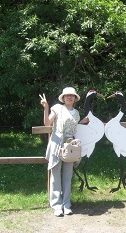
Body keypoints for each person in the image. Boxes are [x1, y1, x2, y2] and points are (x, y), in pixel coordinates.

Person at [39, 87, 87, 217]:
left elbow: (74, 126)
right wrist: (46, 108)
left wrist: (83, 122)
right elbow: (47, 123)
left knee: (67, 175)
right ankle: (56, 206)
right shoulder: (57, 108)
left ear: (75, 98)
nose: (69, 97)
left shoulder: (76, 113)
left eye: (72, 95)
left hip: (70, 146)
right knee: (55, 175)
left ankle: (66, 204)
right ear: (63, 98)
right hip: (57, 143)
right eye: (67, 96)